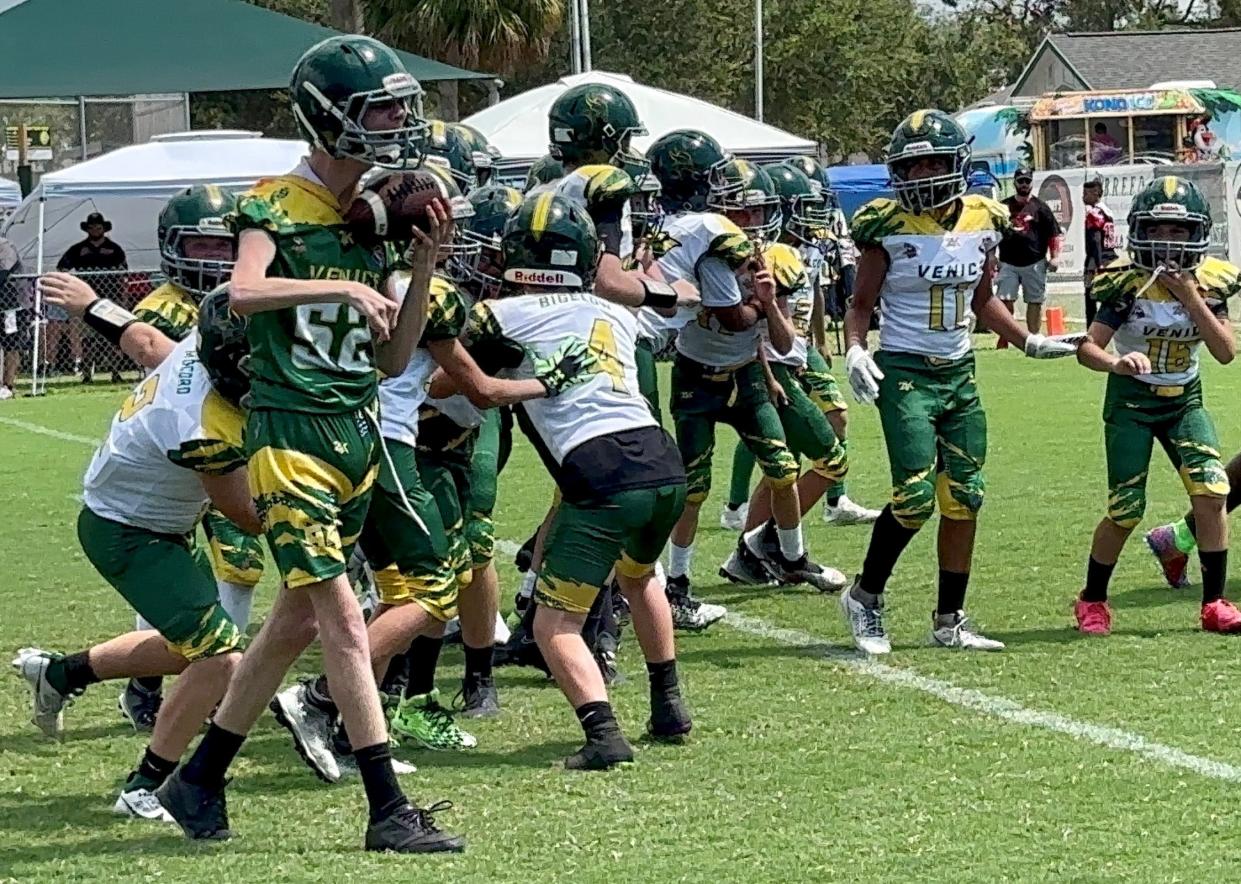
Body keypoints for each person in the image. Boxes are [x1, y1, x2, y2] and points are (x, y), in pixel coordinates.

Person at [154, 35, 464, 854]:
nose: (399, 122)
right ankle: (387, 807)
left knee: (290, 626)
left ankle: (198, 780)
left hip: (356, 433)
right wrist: (344, 282)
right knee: (345, 625)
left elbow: (395, 359)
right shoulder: (273, 201)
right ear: (329, 115)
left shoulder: (370, 215)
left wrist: (423, 264)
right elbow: (243, 290)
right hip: (290, 439)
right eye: (382, 108)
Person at [12, 284, 257, 822]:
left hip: (145, 519)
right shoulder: (198, 423)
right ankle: (147, 784)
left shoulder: (200, 351)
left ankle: (61, 674)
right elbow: (247, 514)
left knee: (186, 649)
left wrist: (93, 306)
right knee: (219, 656)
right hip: (129, 531)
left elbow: (146, 342)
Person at [465, 191, 690, 769]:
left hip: (601, 467)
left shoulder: (499, 315)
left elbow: (452, 386)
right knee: (641, 579)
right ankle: (668, 706)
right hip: (661, 458)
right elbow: (661, 304)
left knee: (554, 621)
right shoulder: (614, 310)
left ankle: (603, 734)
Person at [841, 109, 1078, 655]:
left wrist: (1027, 339)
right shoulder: (884, 224)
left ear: (956, 164)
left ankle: (950, 618)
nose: (923, 175)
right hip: (905, 371)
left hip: (959, 372)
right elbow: (860, 305)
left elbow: (982, 300)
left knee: (965, 496)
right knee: (915, 497)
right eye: (913, 165)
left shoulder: (984, 218)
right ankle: (865, 597)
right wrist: (855, 349)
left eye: (933, 163)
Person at [647, 129, 843, 603]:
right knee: (694, 488)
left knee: (782, 467)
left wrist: (768, 307)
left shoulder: (763, 258)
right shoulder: (711, 248)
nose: (751, 220)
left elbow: (774, 338)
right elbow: (735, 320)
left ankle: (792, 558)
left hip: (748, 375)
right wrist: (749, 309)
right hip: (697, 373)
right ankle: (675, 579)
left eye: (756, 210)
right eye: (741, 208)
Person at [1073, 176, 1240, 635]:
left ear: (1197, 235)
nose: (1167, 242)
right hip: (1132, 403)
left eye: (1178, 232)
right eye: (1158, 231)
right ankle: (1092, 599)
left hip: (1185, 401)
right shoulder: (1125, 284)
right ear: (1140, 231)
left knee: (1212, 493)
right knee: (1125, 508)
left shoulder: (1210, 283)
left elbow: (1226, 351)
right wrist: (1116, 362)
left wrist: (1191, 297)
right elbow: (1087, 348)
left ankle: (1214, 603)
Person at [119, 183, 254, 734]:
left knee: (240, 563)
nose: (215, 259)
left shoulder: (244, 295)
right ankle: (142, 684)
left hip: (231, 448)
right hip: (180, 452)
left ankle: (225, 685)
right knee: (170, 568)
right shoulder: (163, 308)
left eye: (224, 249)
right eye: (201, 247)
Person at [55, 211, 127, 382]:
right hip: (86, 300)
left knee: (112, 337)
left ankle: (115, 372)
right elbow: (62, 268)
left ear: (104, 228)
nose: (95, 230)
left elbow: (124, 273)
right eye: (92, 227)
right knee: (87, 339)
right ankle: (87, 374)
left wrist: (123, 299)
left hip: (111, 297)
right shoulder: (78, 249)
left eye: (98, 227)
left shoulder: (114, 249)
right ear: (87, 229)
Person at [995, 166, 1060, 338]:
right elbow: (992, 233)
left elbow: (1053, 234)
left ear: (1032, 183)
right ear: (1014, 182)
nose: (1024, 184)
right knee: (1005, 300)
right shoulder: (1003, 207)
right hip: (1008, 262)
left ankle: (1033, 337)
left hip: (1035, 262)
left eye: (1027, 181)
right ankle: (1006, 336)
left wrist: (1055, 257)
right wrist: (991, 257)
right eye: (1021, 181)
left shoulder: (1041, 208)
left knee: (1035, 301)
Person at [1082, 177, 1116, 327]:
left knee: (1090, 295)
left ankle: (1091, 328)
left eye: (1086, 193)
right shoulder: (1108, 211)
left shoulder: (1094, 214)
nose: (1083, 197)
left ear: (1096, 194)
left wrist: (1097, 263)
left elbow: (1096, 240)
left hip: (1096, 259)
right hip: (1110, 256)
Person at [0, 233, 30, 399]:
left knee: (11, 344)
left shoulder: (5, 246)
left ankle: (8, 385)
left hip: (12, 305)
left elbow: (3, 271)